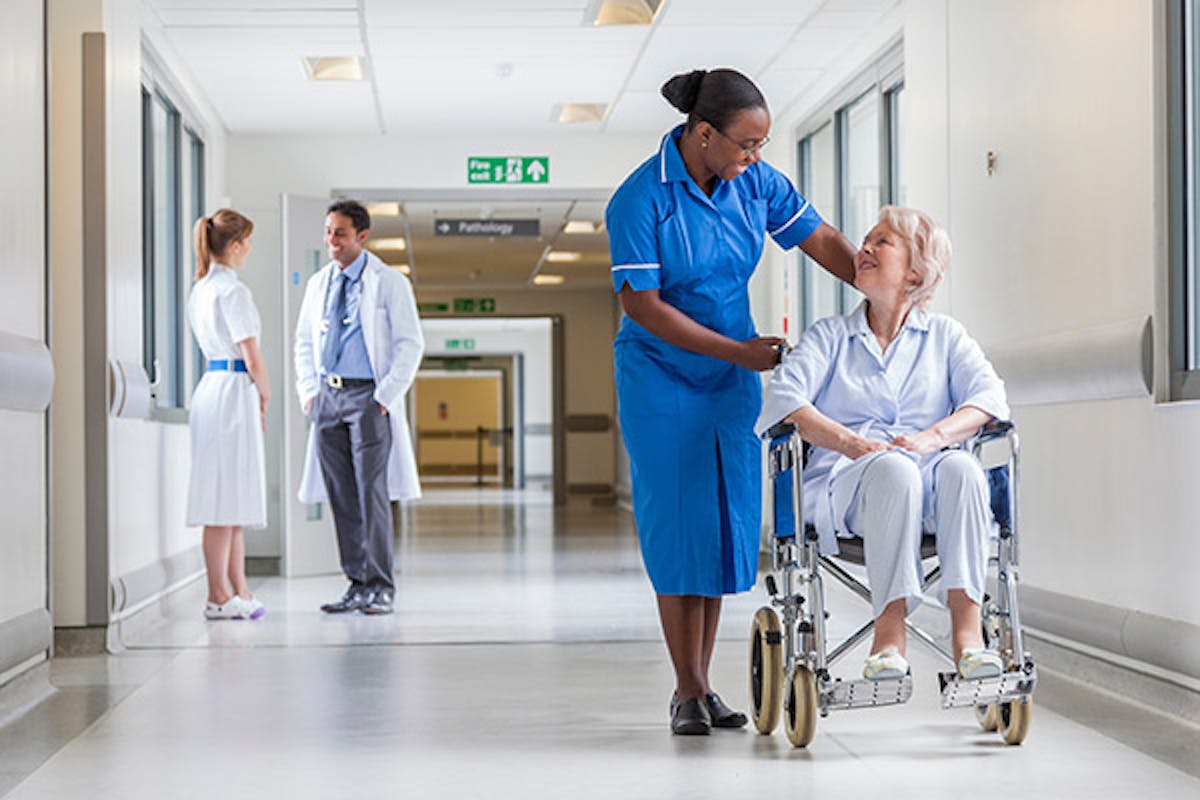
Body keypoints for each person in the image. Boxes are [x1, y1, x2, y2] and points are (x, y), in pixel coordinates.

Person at [606, 68, 857, 735]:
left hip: (727, 378)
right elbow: (643, 306)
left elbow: (820, 238)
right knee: (676, 523)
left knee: (720, 523)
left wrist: (883, 280)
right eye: (747, 144)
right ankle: (686, 688)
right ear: (704, 133)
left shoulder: (755, 184)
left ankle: (703, 685)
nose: (756, 158)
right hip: (659, 373)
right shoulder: (641, 198)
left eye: (762, 145)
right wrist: (738, 351)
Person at [756, 206, 1008, 682]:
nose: (864, 248)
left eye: (882, 242)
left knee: (963, 469)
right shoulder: (830, 337)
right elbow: (784, 399)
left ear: (914, 272)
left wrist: (932, 438)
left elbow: (989, 398)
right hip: (847, 487)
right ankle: (889, 637)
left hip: (931, 478)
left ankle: (969, 637)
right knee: (894, 470)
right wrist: (852, 444)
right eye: (866, 240)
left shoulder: (946, 337)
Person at [294, 199, 424, 615]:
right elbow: (304, 342)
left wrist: (385, 397)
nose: (331, 241)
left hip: (369, 399)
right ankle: (356, 583)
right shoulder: (319, 283)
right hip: (327, 399)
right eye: (328, 231)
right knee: (341, 496)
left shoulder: (389, 282)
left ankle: (381, 585)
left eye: (340, 233)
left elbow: (410, 343)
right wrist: (309, 394)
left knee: (372, 494)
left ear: (362, 237)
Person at [186, 208, 269, 621]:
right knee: (222, 501)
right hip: (233, 391)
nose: (249, 250)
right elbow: (251, 354)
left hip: (215, 390)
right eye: (247, 243)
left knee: (231, 498)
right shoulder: (232, 292)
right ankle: (218, 595)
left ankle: (239, 590)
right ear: (234, 246)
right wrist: (265, 394)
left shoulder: (202, 288)